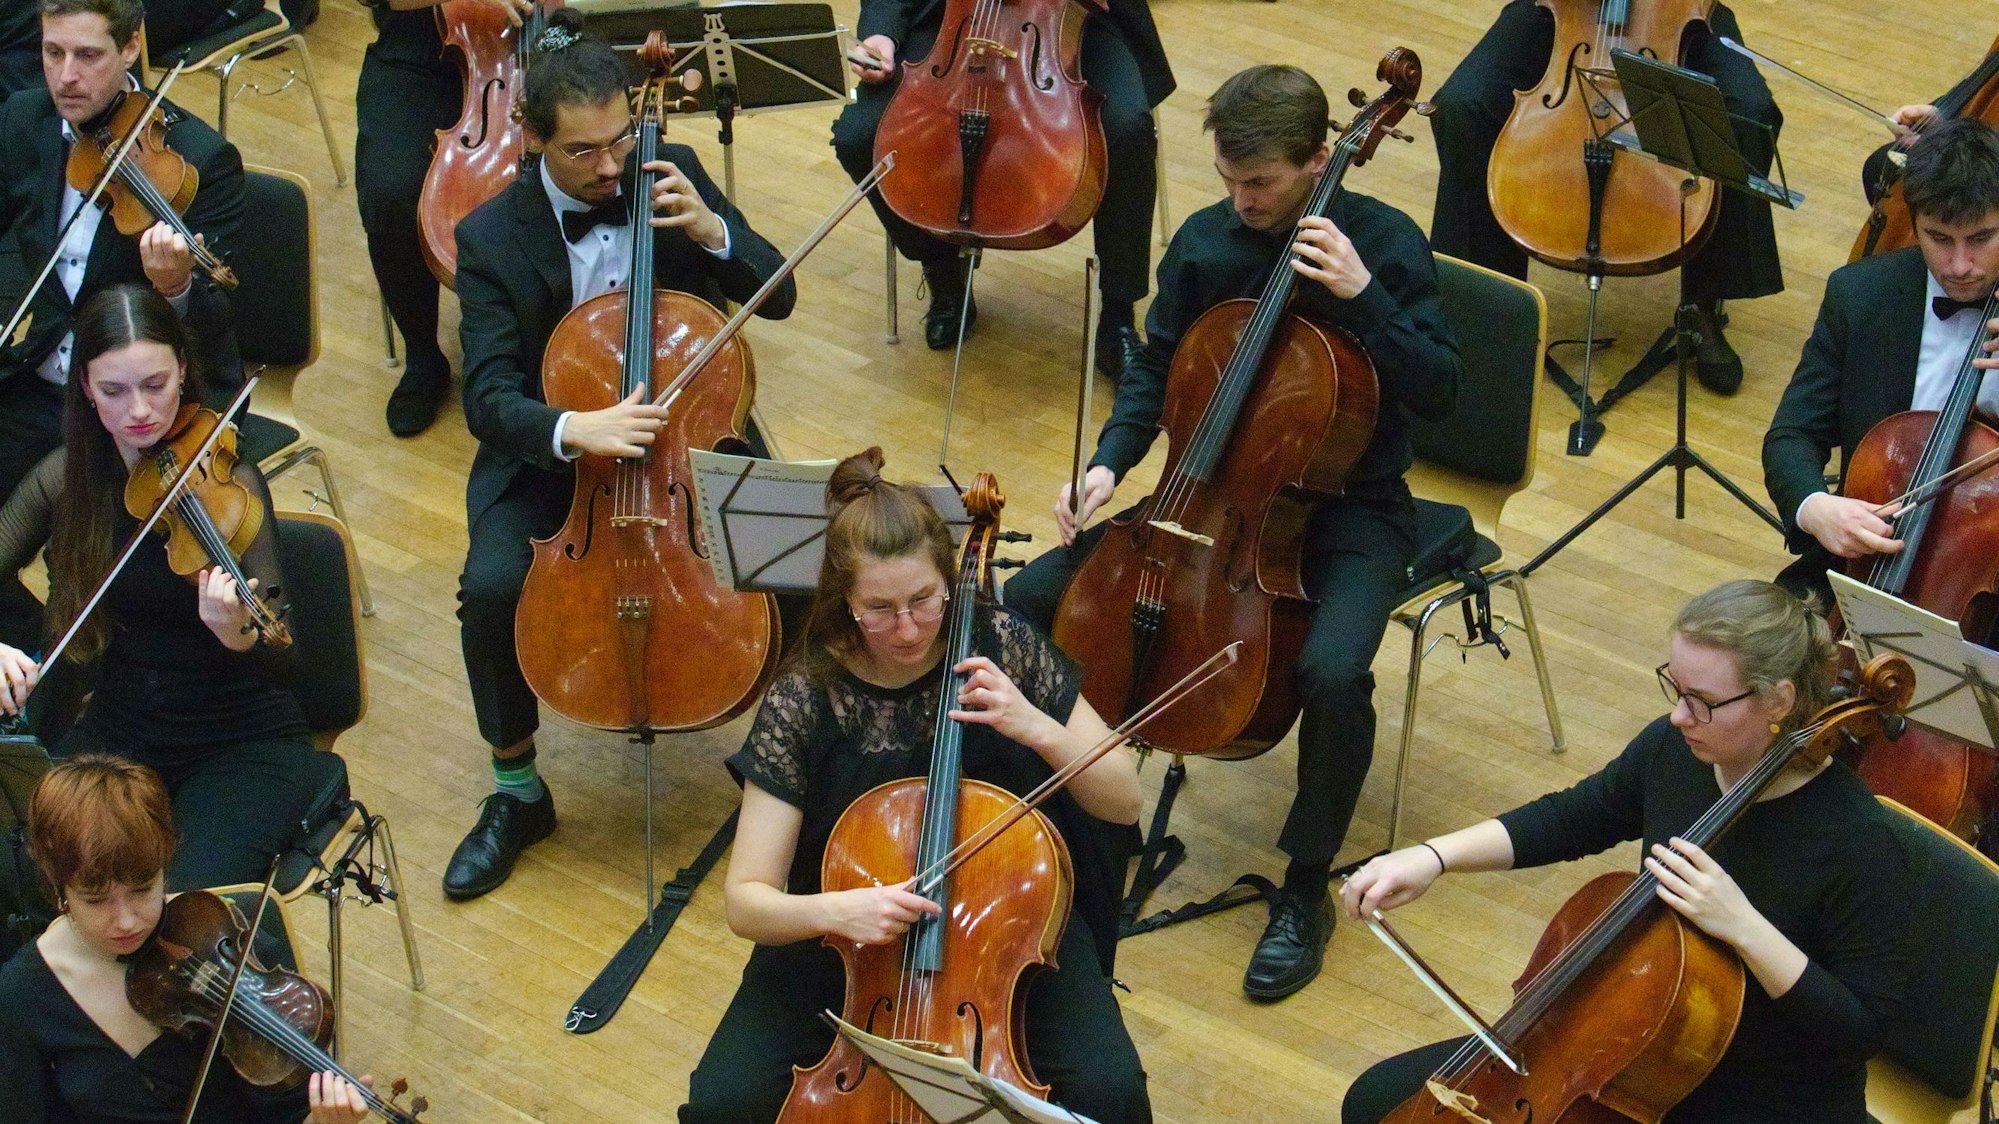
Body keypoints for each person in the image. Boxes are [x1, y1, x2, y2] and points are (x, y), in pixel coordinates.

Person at [1004, 63, 1461, 1000]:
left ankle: (1304, 887)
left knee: (1332, 672)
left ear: (1320, 161)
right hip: (1197, 490)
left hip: (1350, 509)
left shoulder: (1385, 245)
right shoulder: (1210, 243)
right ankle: (1071, 808)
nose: (1242, 202)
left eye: (1261, 185)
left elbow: (1444, 392)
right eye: (1229, 182)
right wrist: (1108, 459)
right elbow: (1158, 362)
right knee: (1026, 599)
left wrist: (1366, 298)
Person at [680, 448, 1150, 1124]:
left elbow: (1123, 799)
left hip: (1006, 924)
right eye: (880, 609)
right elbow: (747, 904)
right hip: (845, 939)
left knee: (1111, 1096)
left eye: (924, 602)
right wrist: (840, 911)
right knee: (724, 1104)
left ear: (949, 581)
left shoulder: (1002, 644)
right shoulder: (804, 696)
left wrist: (1034, 725)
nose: (906, 628)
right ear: (846, 599)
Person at [444, 11, 797, 901]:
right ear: (531, 141)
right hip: (558, 472)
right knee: (488, 590)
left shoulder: (668, 175)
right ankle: (515, 791)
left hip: (687, 441)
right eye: (582, 154)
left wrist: (713, 231)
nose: (610, 170)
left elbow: (778, 294)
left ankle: (787, 767)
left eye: (619, 143)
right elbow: (488, 399)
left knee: (798, 558)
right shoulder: (490, 239)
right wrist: (576, 428)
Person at [1339, 580, 1913, 1124]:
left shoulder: (1857, 841)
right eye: (1676, 688)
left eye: (1703, 700)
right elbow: (1575, 816)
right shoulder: (1677, 750)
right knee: (1374, 1103)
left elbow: (1858, 1032)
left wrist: (1744, 927)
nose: (1678, 715)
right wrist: (1433, 857)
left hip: (1758, 1095)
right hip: (1626, 1043)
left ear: (1778, 702)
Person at [0, 285, 333, 892]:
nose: (139, 411)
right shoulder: (67, 480)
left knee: (177, 900)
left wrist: (239, 637)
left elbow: (293, 664)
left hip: (241, 738)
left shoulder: (231, 480)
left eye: (155, 385)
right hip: (123, 729)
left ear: (183, 369)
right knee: (33, 867)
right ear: (85, 389)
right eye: (114, 391)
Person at [0, 0, 244, 650]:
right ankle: (25, 658)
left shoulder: (201, 160)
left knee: (78, 554)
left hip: (132, 412)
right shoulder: (22, 120)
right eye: (53, 54)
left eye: (88, 56)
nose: (66, 78)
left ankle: (71, 677)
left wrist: (178, 287)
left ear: (132, 46)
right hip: (33, 379)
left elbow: (222, 329)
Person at [1426, 1, 1783, 394]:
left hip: (1672, 13)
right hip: (1563, 13)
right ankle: (1493, 301)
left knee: (1750, 111)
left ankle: (1700, 304)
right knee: (1462, 105)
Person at [0, 753, 373, 1123]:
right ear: (58, 888)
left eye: (143, 890)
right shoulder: (23, 994)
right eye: (96, 901)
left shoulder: (222, 941)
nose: (126, 921)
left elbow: (287, 1111)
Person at [832, 0, 1174, 372]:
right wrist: (881, 34)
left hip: (1073, 21)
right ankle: (943, 272)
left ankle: (1118, 316)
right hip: (952, 21)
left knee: (1128, 130)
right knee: (858, 138)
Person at [1762, 116, 1999, 600]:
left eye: (1981, 239)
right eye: (1939, 238)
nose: (1959, 266)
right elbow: (1793, 435)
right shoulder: (1861, 295)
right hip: (1865, 565)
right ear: (1913, 225)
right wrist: (1815, 507)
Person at [354, 0, 530, 436]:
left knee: (586, 155)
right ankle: (423, 357)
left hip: (549, 39)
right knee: (390, 193)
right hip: (423, 45)